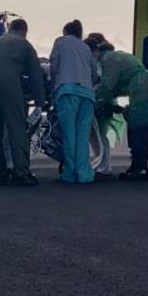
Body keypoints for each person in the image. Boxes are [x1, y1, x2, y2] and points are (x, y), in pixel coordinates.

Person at [87, 33, 148, 181]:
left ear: (94, 51)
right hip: (146, 86)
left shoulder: (108, 60)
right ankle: (139, 165)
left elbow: (107, 86)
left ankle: (140, 168)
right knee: (139, 125)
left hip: (143, 88)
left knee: (138, 127)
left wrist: (92, 96)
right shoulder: (114, 56)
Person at [0, 17, 46, 186]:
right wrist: (40, 103)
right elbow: (36, 76)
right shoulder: (24, 44)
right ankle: (22, 172)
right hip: (7, 83)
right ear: (24, 31)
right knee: (16, 127)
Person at [48, 19, 97, 184]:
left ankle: (69, 173)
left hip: (67, 90)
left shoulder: (60, 42)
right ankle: (84, 173)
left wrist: (52, 87)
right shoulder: (85, 47)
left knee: (69, 135)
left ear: (66, 32)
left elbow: (54, 65)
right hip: (88, 94)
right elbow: (94, 72)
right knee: (82, 136)